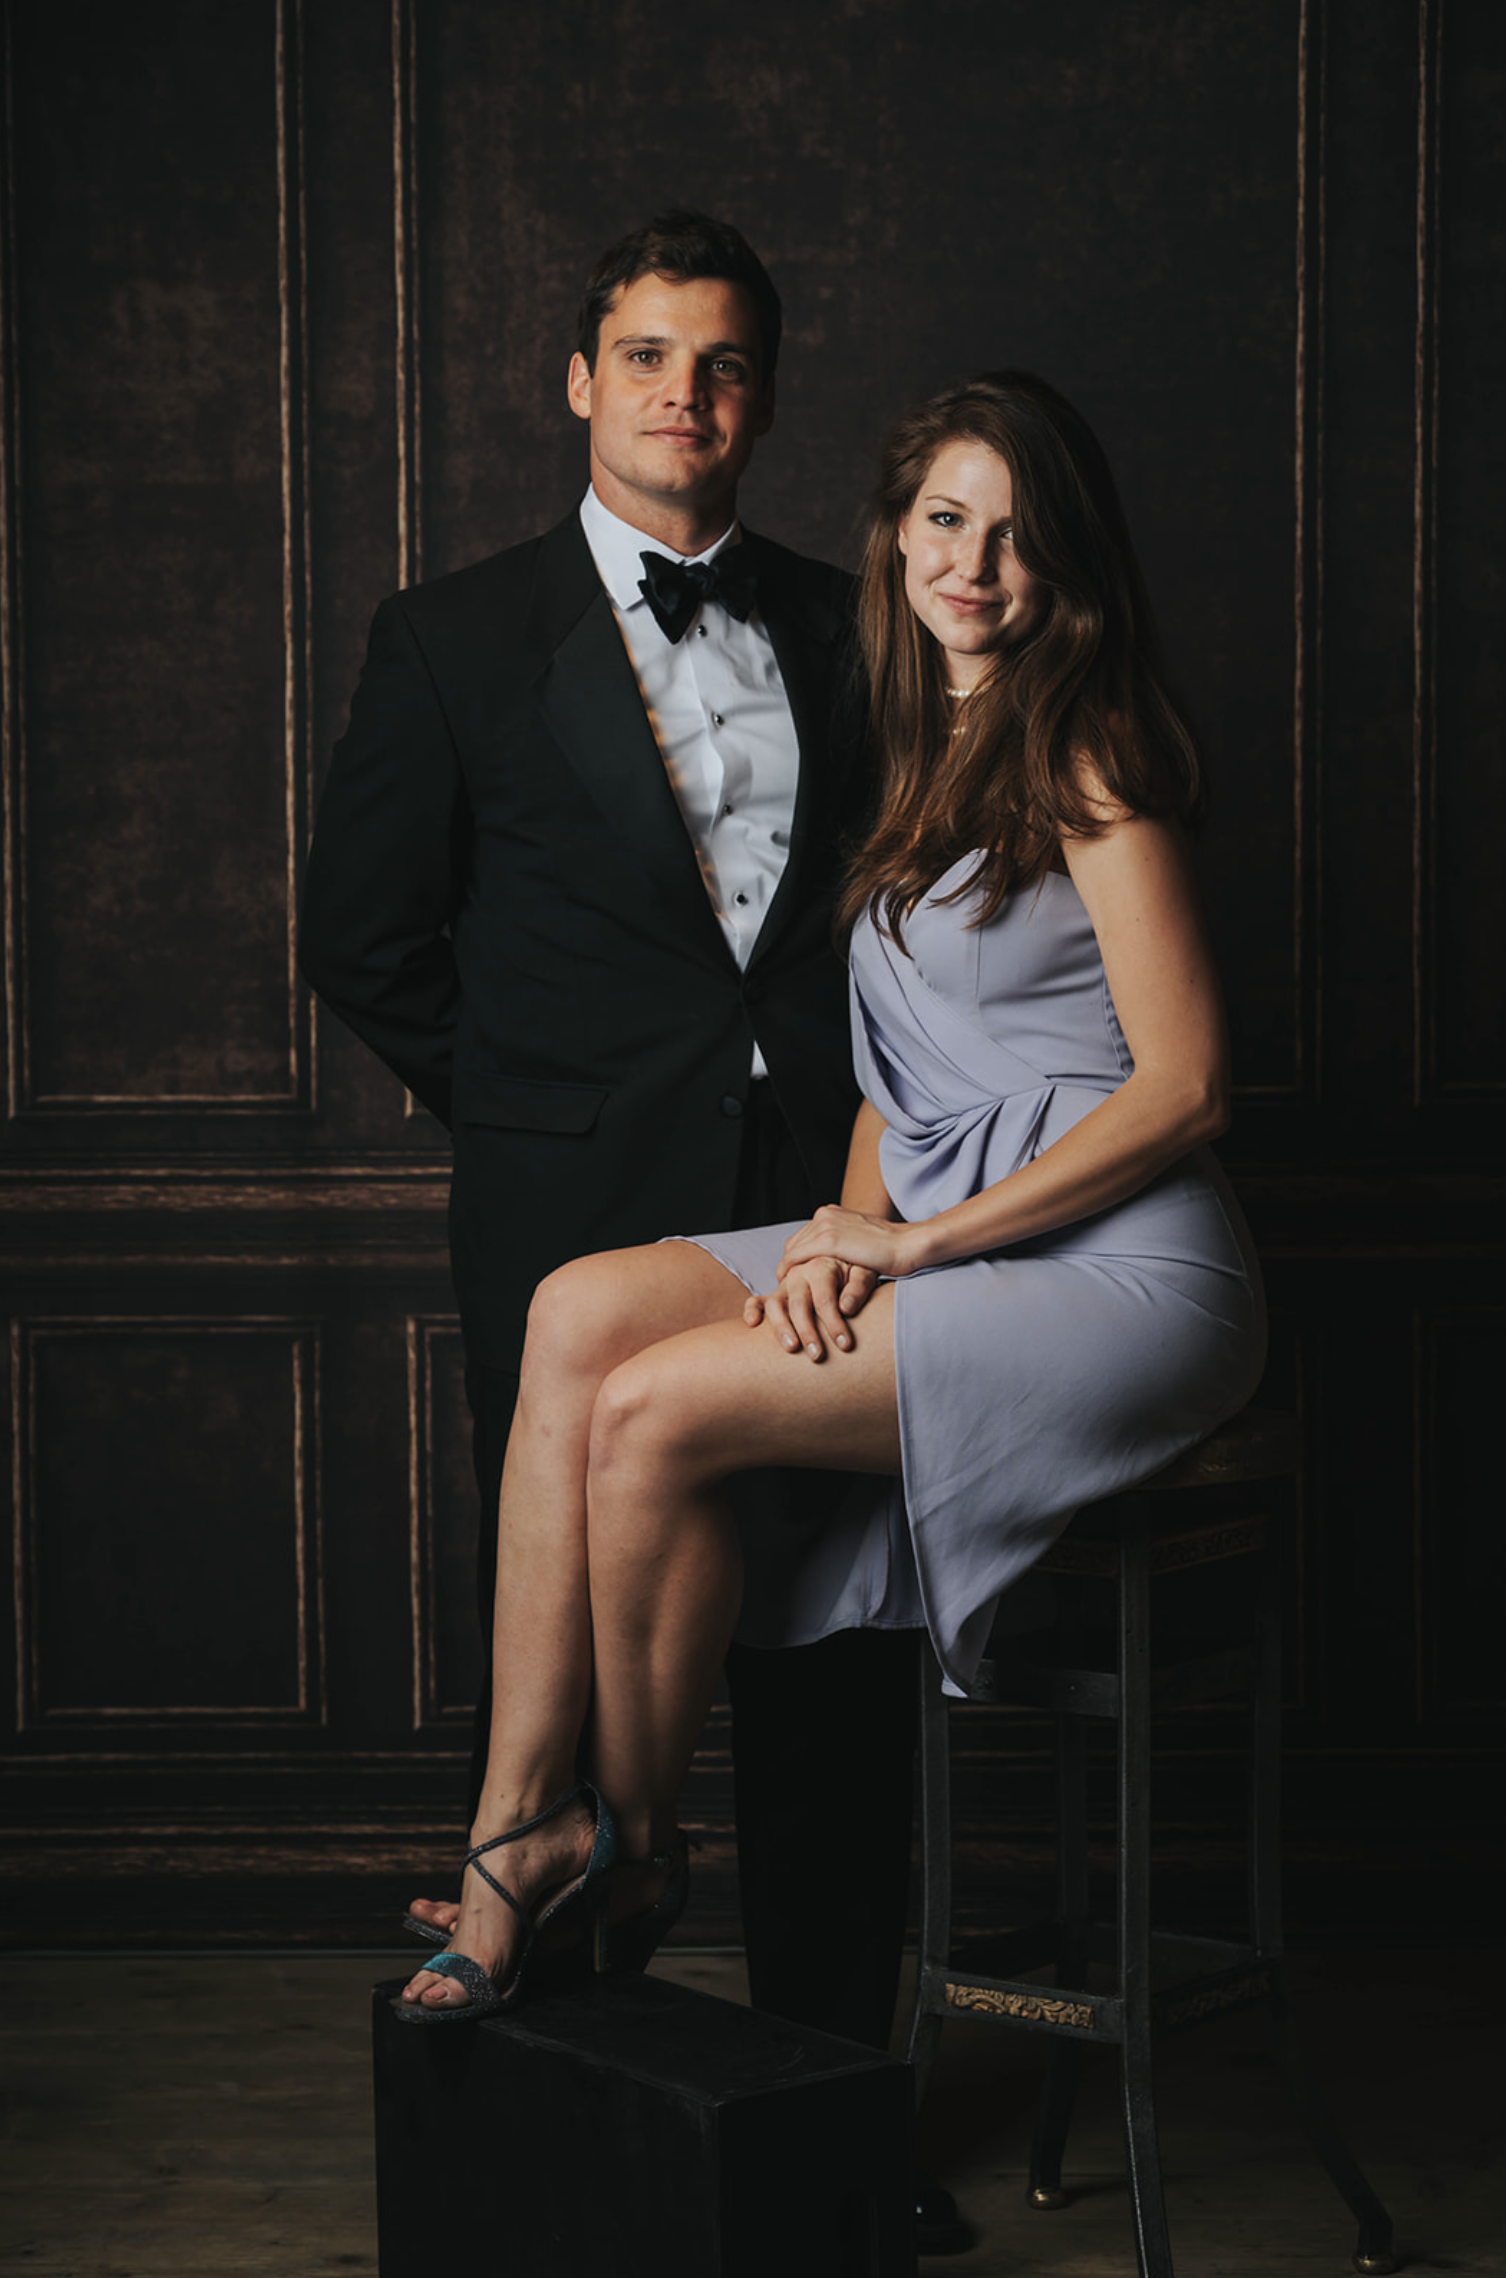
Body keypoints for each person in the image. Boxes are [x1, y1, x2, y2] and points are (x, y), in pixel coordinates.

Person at [389, 369, 1267, 2042]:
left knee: (652, 1415)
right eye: (945, 519)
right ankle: (515, 1822)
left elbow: (1187, 1086)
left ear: (1065, 563)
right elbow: (894, 1073)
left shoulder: (1087, 745)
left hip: (1122, 1267)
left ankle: (629, 1840)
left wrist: (909, 1245)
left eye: (1014, 535)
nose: (972, 564)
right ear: (896, 534)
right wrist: (823, 1238)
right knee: (575, 1314)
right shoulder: (931, 745)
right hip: (942, 1211)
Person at [300, 212, 940, 2206]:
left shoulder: (862, 627)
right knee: (595, 1645)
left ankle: (847, 2121)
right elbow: (361, 932)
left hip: (824, 1200)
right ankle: (580, 2122)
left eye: (727, 362)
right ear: (582, 383)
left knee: (831, 1667)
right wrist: (534, 1105)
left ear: (766, 392)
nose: (689, 397)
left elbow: (902, 914)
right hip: (577, 1212)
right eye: (650, 357)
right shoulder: (457, 634)